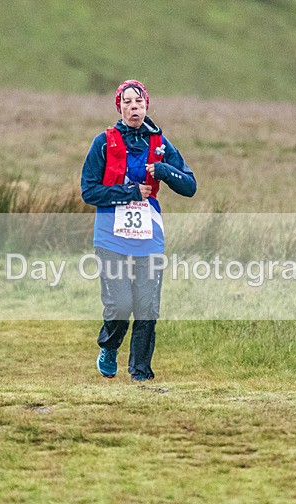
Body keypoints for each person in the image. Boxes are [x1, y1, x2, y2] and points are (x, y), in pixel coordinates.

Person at [80, 80, 197, 381]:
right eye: (128, 102)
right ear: (119, 107)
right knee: (120, 305)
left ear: (147, 105)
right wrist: (130, 192)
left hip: (149, 237)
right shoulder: (103, 142)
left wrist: (165, 171)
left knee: (147, 307)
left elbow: (190, 186)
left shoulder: (160, 144)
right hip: (111, 237)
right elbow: (89, 191)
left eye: (139, 102)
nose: (134, 107)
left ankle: (141, 374)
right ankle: (109, 346)